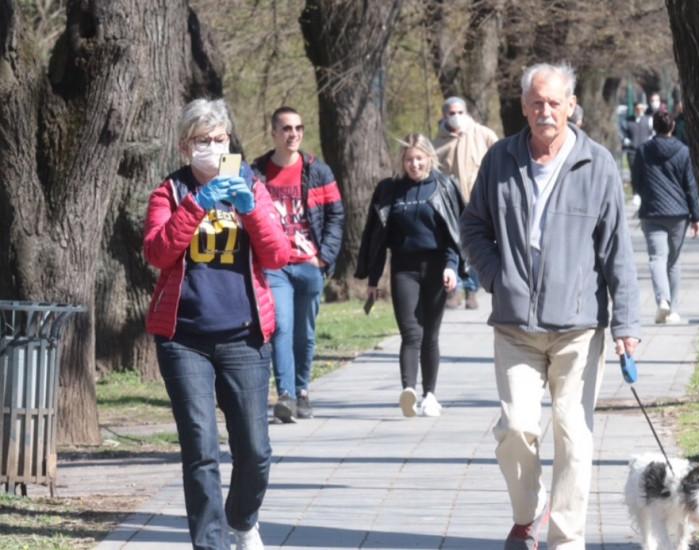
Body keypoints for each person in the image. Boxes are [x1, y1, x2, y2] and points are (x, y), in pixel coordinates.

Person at [460, 62, 641, 550]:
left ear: (571, 106)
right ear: (523, 106)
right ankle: (528, 512)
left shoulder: (597, 163)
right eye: (536, 102)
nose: (545, 112)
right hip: (515, 325)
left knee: (573, 436)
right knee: (516, 429)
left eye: (554, 103)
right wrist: (498, 278)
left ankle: (565, 540)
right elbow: (473, 225)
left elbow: (617, 249)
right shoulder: (500, 159)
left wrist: (626, 323)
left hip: (578, 327)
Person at [144, 98, 291, 550]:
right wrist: (195, 205)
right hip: (184, 338)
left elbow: (278, 255)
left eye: (220, 139)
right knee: (201, 449)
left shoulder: (250, 182)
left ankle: (242, 518)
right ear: (185, 148)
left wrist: (250, 210)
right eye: (202, 141)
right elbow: (157, 253)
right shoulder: (168, 192)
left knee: (255, 450)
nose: (212, 147)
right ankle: (209, 544)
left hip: (243, 335)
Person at [355, 133, 466, 418]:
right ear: (402, 162)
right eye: (408, 159)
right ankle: (409, 391)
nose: (414, 164)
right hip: (404, 267)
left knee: (430, 333)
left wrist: (452, 267)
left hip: (437, 266)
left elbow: (456, 233)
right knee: (410, 331)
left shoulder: (444, 186)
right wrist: (372, 279)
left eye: (419, 158)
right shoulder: (389, 190)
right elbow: (376, 237)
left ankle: (430, 394)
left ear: (430, 158)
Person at [251, 106, 345, 422]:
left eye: (298, 128)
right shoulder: (257, 173)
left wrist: (324, 256)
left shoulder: (318, 171)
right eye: (287, 129)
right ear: (274, 133)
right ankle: (286, 396)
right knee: (280, 327)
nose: (294, 134)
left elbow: (336, 215)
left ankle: (303, 390)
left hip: (309, 264)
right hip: (274, 265)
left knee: (305, 333)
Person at [631, 109, 699, 324]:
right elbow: (690, 185)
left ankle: (663, 300)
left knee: (656, 258)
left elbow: (637, 180)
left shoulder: (643, 151)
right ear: (672, 127)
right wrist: (696, 216)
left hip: (652, 212)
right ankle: (673, 310)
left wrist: (644, 195)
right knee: (673, 262)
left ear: (653, 127)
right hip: (678, 213)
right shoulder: (683, 151)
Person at [433, 96, 498, 310]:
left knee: (476, 246)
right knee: (453, 247)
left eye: (460, 112)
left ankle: (472, 290)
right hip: (450, 207)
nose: (456, 117)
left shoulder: (483, 134)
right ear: (444, 115)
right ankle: (455, 290)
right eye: (452, 113)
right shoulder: (438, 143)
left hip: (478, 203)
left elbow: (500, 161)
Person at [621, 102, 653, 183]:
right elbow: (622, 134)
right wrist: (626, 140)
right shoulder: (627, 121)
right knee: (634, 173)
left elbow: (652, 133)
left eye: (641, 109)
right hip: (632, 151)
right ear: (635, 109)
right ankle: (635, 192)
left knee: (646, 173)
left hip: (645, 151)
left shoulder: (649, 120)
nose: (639, 111)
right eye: (638, 109)